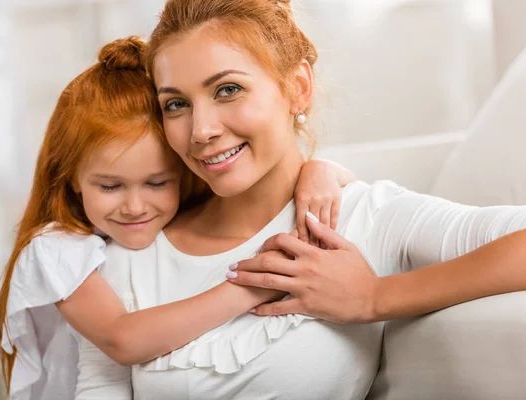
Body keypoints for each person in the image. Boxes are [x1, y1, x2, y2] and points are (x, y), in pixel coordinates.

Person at [74, 0, 526, 399]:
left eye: (227, 90)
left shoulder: (364, 217)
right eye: (176, 104)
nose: (200, 130)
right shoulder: (133, 249)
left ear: (298, 88)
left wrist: (374, 296)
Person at [0, 36, 354, 400]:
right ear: (72, 178)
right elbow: (123, 340)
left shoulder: (184, 213)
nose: (135, 206)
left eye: (156, 182)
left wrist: (320, 170)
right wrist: (258, 282)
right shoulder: (55, 248)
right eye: (109, 187)